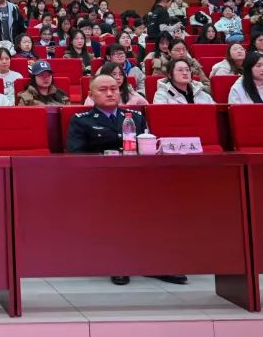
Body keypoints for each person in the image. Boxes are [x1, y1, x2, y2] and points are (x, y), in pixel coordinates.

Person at [68, 73, 187, 286]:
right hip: (100, 181)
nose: (110, 93)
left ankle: (157, 262)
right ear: (91, 95)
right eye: (103, 90)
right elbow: (76, 156)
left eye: (114, 89)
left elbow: (147, 147)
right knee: (116, 205)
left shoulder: (136, 118)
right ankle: (119, 262)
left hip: (137, 179)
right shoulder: (81, 120)